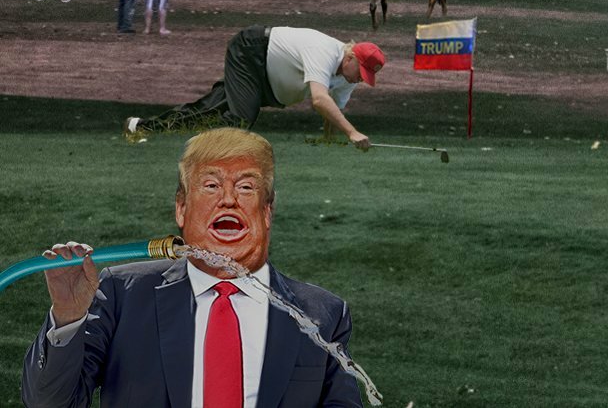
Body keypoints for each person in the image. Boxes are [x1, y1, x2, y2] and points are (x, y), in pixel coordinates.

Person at [22, 127, 362, 408]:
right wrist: (68, 318)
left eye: (246, 187)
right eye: (211, 185)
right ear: (181, 209)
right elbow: (49, 403)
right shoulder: (122, 293)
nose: (228, 199)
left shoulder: (323, 313)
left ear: (267, 212)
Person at [125, 27, 385, 146]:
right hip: (251, 52)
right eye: (361, 72)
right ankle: (199, 149)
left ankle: (139, 127)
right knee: (241, 118)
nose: (360, 79)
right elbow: (319, 100)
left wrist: (329, 141)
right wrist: (353, 133)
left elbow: (332, 110)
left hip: (266, 80)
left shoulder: (347, 77)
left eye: (366, 77)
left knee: (208, 111)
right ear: (350, 58)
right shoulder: (324, 51)